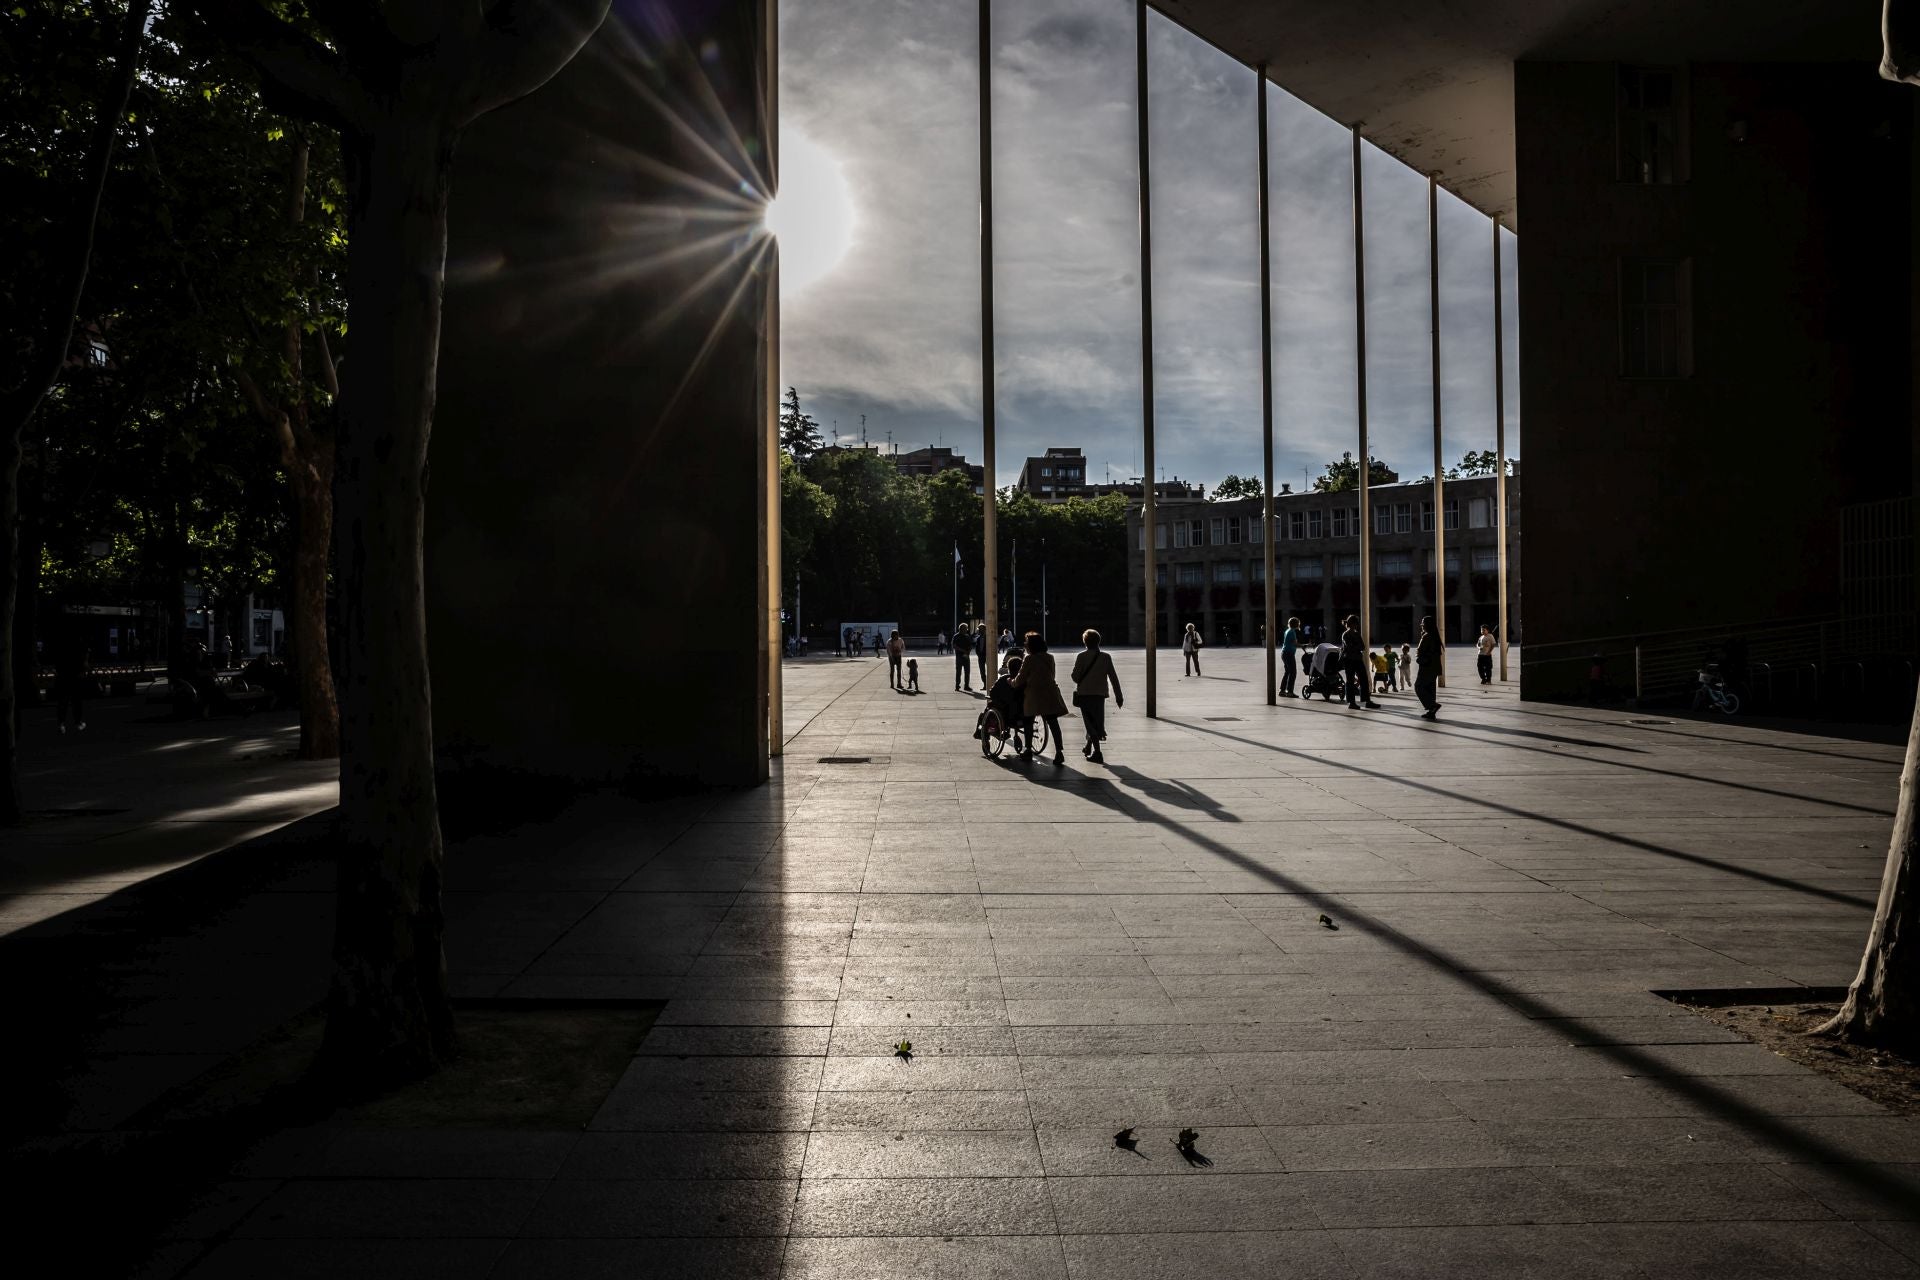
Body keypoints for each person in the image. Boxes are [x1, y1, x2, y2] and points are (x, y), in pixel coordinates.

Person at [1010, 631, 1068, 765]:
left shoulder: (1029, 659)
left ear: (1031, 645)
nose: (1024, 645)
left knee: (1028, 721)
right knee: (1053, 724)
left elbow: (1020, 679)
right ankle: (1059, 752)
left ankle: (1028, 749)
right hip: (1050, 693)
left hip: (1034, 694)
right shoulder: (1050, 657)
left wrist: (1011, 682)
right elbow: (1052, 675)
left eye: (1026, 643)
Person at [1069, 629, 1123, 762]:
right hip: (1100, 695)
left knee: (1090, 723)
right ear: (1099, 641)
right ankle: (1088, 746)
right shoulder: (1106, 657)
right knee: (1096, 722)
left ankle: (1097, 752)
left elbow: (1075, 678)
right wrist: (1118, 695)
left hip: (1085, 694)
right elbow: (1113, 677)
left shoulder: (1081, 656)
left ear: (1085, 642)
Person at [977, 654, 1024, 741]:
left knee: (990, 707)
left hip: (1006, 715)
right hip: (1022, 715)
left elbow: (992, 693)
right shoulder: (1024, 681)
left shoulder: (1004, 679)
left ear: (1009, 668)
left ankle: (982, 733)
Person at [1341, 615, 1378, 709]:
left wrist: (1355, 646)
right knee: (1350, 681)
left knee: (1364, 679)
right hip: (1349, 660)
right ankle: (1351, 703)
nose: (1356, 625)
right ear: (1351, 623)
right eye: (1355, 623)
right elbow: (1350, 647)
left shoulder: (1356, 634)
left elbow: (1363, 647)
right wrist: (1356, 646)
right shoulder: (1346, 634)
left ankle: (1367, 701)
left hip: (1357, 659)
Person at [54, 632, 88, 734]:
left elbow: (58, 663)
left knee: (63, 701)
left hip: (63, 676)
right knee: (76, 701)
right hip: (75, 677)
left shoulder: (62, 647)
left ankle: (61, 724)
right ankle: (78, 723)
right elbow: (83, 661)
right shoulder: (80, 647)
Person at [1416, 615, 1443, 719]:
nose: (1421, 625)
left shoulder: (1427, 636)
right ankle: (1432, 711)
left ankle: (1432, 705)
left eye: (1423, 623)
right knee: (1429, 688)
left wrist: (1419, 658)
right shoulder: (1435, 636)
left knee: (1419, 686)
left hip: (1427, 667)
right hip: (1434, 667)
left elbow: (1421, 651)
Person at [1279, 616, 1303, 698]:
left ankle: (1282, 690)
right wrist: (1303, 645)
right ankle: (1290, 691)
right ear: (1296, 624)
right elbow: (1294, 643)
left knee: (1287, 672)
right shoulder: (1292, 632)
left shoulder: (1287, 631)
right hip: (1289, 654)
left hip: (1284, 653)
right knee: (1293, 672)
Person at [954, 623, 974, 691]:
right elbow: (954, 646)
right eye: (966, 628)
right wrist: (963, 651)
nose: (966, 630)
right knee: (958, 672)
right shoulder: (956, 636)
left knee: (967, 672)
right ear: (961, 629)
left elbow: (970, 645)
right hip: (959, 656)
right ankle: (957, 686)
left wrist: (969, 651)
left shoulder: (967, 636)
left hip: (966, 656)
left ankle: (966, 686)